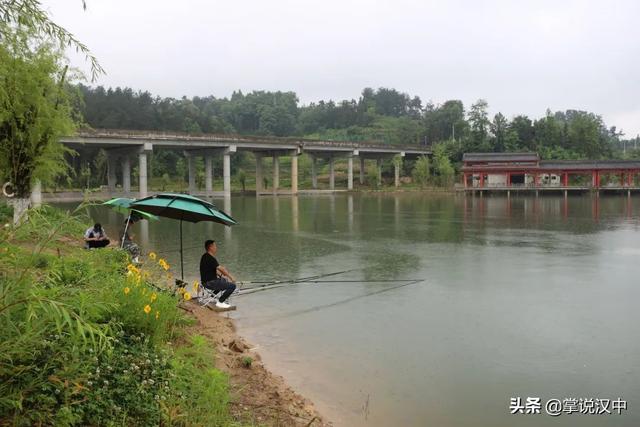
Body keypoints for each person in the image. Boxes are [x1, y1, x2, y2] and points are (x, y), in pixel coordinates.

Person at [200, 239, 236, 309]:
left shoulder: (205, 256)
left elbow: (213, 270)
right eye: (215, 246)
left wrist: (221, 275)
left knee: (224, 280)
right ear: (210, 247)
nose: (216, 248)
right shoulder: (210, 258)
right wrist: (231, 277)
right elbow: (221, 269)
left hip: (205, 282)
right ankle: (220, 302)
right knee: (232, 286)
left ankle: (212, 297)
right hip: (210, 283)